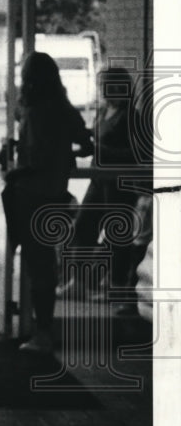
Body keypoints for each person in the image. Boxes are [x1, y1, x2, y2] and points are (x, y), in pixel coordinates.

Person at [5, 51, 93, 354]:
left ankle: (42, 332)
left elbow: (35, 158)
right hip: (54, 191)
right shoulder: (63, 107)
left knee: (37, 262)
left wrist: (16, 171)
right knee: (43, 262)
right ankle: (41, 328)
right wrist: (64, 156)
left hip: (31, 193)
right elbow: (85, 143)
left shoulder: (33, 110)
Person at [61, 67, 146, 306]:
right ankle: (79, 282)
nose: (101, 91)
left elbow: (137, 153)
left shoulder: (131, 116)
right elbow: (94, 142)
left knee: (116, 235)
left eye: (105, 86)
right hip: (99, 179)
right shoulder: (102, 111)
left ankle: (117, 287)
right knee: (83, 225)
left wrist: (102, 151)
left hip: (119, 183)